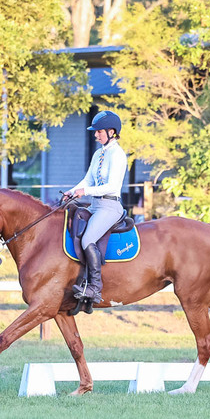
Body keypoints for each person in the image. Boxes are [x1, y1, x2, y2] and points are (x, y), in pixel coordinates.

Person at [64, 110, 127, 304]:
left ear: (111, 132)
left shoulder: (118, 155)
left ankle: (94, 288)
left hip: (110, 206)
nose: (95, 135)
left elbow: (112, 186)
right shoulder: (99, 153)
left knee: (88, 239)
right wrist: (72, 191)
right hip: (95, 205)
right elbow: (87, 179)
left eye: (99, 131)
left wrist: (86, 191)